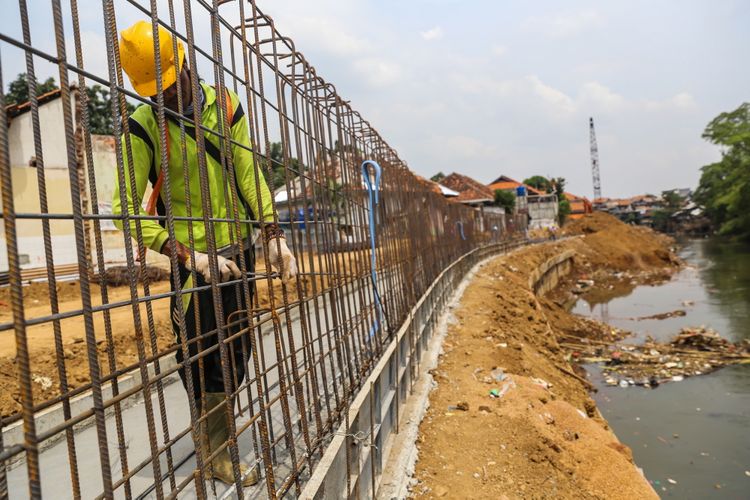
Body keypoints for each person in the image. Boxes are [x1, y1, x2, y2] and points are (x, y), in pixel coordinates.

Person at [114, 20, 297, 487]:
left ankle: (219, 432)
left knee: (237, 351)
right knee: (199, 356)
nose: (164, 99)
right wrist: (187, 255)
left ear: (187, 65)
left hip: (239, 251)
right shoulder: (142, 126)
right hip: (193, 262)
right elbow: (124, 209)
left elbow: (248, 173)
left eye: (170, 88)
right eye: (155, 93)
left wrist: (273, 233)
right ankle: (213, 450)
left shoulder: (226, 105)